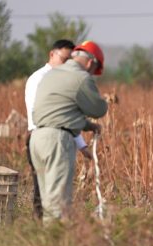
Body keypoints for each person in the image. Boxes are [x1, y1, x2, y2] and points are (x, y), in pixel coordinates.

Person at [30, 40, 108, 223]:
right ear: (91, 63)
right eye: (93, 70)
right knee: (58, 203)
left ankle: (44, 243)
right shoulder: (81, 77)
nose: (92, 74)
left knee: (47, 200)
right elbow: (98, 109)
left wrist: (88, 126)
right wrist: (102, 101)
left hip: (37, 139)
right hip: (57, 140)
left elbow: (61, 112)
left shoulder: (52, 74)